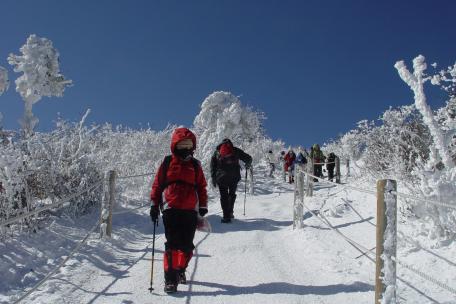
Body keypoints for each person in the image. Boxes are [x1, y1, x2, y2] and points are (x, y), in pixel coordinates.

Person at [150, 127, 208, 293]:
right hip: (171, 208)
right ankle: (170, 279)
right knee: (173, 244)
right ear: (175, 145)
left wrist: (203, 205)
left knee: (187, 246)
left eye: (189, 145)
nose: (186, 149)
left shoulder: (195, 165)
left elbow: (202, 186)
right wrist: (154, 205)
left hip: (190, 209)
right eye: (182, 145)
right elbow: (157, 184)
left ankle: (180, 269)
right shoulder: (167, 162)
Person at [210, 138, 252, 223]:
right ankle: (231, 212)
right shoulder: (235, 150)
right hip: (234, 176)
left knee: (224, 196)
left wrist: (213, 178)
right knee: (232, 194)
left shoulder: (217, 152)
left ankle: (226, 216)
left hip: (221, 177)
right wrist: (248, 164)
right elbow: (248, 158)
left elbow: (212, 166)